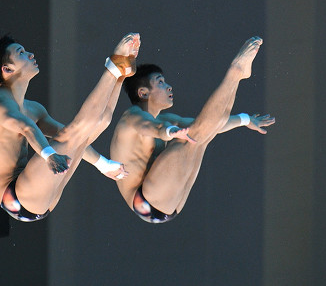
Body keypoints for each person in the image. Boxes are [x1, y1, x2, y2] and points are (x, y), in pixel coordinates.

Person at [110, 36, 275, 223]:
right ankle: (235, 72)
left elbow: (208, 124)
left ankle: (237, 75)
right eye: (160, 82)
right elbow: (152, 127)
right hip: (145, 200)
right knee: (193, 136)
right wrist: (169, 132)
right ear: (143, 93)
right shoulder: (132, 116)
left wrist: (245, 120)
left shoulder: (165, 118)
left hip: (165, 203)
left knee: (204, 134)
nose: (169, 86)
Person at [0, 32, 140, 222]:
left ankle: (119, 74)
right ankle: (115, 65)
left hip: (39, 196)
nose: (30, 54)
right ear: (7, 68)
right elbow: (27, 128)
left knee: (97, 124)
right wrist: (49, 155)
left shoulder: (34, 109)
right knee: (77, 131)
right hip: (17, 195)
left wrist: (103, 165)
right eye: (21, 52)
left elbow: (71, 134)